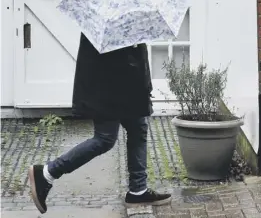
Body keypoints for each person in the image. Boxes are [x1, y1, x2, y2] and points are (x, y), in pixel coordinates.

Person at [28, 34, 171, 214]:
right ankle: (47, 172)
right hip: (110, 84)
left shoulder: (121, 15)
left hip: (126, 82)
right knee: (105, 138)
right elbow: (105, 56)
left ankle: (138, 190)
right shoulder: (106, 22)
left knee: (138, 128)